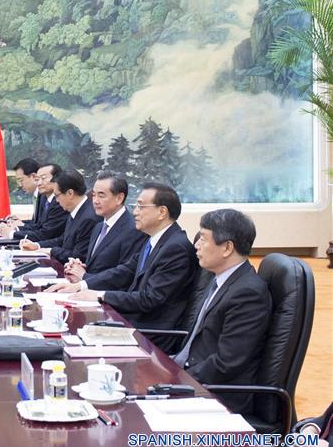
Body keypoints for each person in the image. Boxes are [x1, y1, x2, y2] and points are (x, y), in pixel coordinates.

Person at [51, 183, 198, 352]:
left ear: (162, 212)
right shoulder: (155, 240)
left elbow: (149, 299)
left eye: (141, 206)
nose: (135, 212)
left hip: (150, 333)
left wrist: (100, 295)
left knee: (72, 339)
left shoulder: (175, 248)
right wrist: (79, 285)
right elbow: (125, 271)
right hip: (133, 322)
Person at [171, 209, 270, 414]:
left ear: (227, 248)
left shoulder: (248, 293)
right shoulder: (220, 278)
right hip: (191, 374)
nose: (196, 245)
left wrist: (176, 378)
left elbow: (226, 363)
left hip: (215, 395)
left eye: (203, 240)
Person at [62, 171, 147, 280]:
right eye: (94, 195)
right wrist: (79, 267)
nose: (95, 201)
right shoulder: (98, 227)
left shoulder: (133, 229)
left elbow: (124, 277)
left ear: (119, 198)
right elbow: (97, 267)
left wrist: (85, 277)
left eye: (101, 195)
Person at [20, 169, 99, 263]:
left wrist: (50, 251)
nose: (56, 201)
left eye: (57, 196)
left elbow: (78, 256)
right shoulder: (75, 210)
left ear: (70, 193)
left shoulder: (88, 218)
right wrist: (37, 245)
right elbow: (63, 239)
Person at [11, 163, 68, 241]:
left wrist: (12, 233)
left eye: (43, 178)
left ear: (57, 179)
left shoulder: (60, 203)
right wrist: (18, 226)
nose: (39, 183)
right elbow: (38, 225)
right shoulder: (45, 198)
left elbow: (46, 234)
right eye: (37, 179)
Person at [0, 158, 44, 233]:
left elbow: (43, 230)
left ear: (34, 176)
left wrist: (19, 227)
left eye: (21, 180)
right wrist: (19, 222)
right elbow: (36, 224)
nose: (20, 185)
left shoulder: (45, 197)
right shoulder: (37, 195)